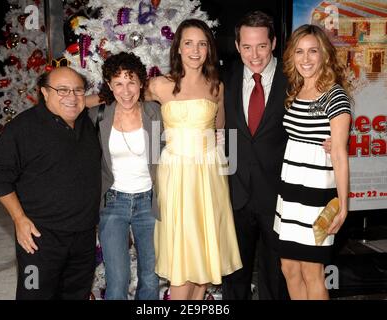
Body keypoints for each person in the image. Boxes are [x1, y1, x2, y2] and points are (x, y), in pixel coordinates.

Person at [146, 18, 243, 300]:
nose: (195, 50)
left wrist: (227, 169)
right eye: (188, 43)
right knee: (183, 258)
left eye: (202, 43)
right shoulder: (159, 85)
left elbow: (221, 133)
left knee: (204, 256)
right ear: (178, 48)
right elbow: (126, 105)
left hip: (209, 175)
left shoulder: (216, 87)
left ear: (209, 49)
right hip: (176, 175)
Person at [0, 67, 102, 299]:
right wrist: (19, 219)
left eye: (78, 90)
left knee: (75, 295)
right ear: (44, 93)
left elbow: (111, 95)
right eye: (62, 90)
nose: (71, 96)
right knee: (34, 294)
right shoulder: (24, 128)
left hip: (83, 238)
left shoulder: (85, 122)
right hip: (39, 240)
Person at [273, 24, 351, 300]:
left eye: (312, 52)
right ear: (292, 57)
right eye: (299, 52)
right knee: (289, 268)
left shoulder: (335, 96)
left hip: (317, 194)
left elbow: (340, 153)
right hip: (291, 192)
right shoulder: (294, 92)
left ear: (324, 55)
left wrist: (343, 206)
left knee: (312, 271)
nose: (306, 59)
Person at [222, 10, 289, 300]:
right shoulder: (227, 78)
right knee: (234, 278)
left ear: (273, 42)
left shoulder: (294, 78)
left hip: (279, 194)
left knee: (276, 277)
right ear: (237, 46)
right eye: (247, 47)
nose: (255, 55)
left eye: (261, 45)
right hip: (236, 193)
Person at [88, 52, 162, 300]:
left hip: (149, 202)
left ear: (142, 82)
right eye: (118, 83)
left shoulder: (155, 113)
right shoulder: (99, 115)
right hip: (113, 202)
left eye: (131, 81)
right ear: (109, 86)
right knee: (117, 279)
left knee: (150, 276)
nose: (126, 90)